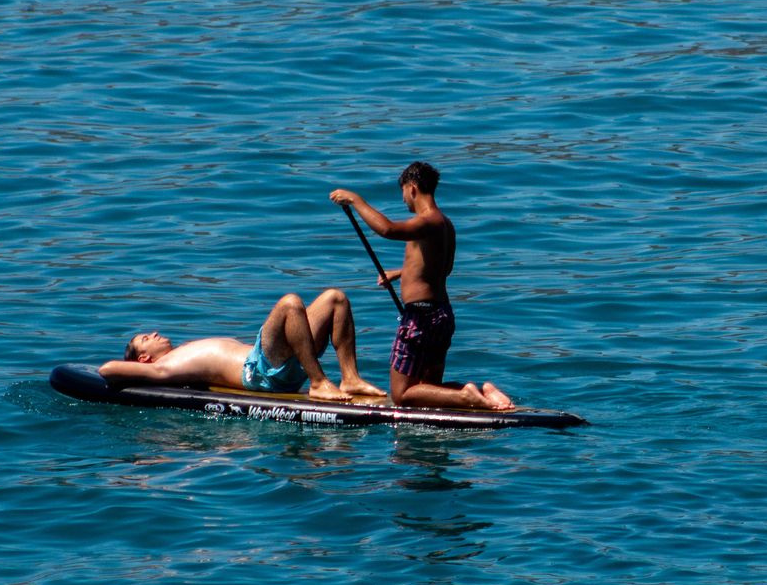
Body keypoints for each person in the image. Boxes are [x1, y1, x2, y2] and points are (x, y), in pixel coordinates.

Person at [328, 161, 514, 411]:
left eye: (403, 192)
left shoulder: (427, 221)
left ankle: (465, 396)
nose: (404, 199)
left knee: (402, 394)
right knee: (427, 389)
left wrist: (356, 200)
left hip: (422, 318)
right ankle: (483, 394)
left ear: (412, 188)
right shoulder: (445, 224)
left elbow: (388, 229)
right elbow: (442, 268)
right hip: (441, 314)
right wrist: (401, 273)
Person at [97, 289, 384, 402]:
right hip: (259, 372)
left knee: (336, 298)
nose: (155, 332)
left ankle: (350, 378)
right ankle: (319, 381)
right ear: (144, 359)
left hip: (278, 363)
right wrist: (133, 370)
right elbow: (107, 370)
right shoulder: (163, 368)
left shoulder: (176, 354)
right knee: (289, 303)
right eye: (146, 339)